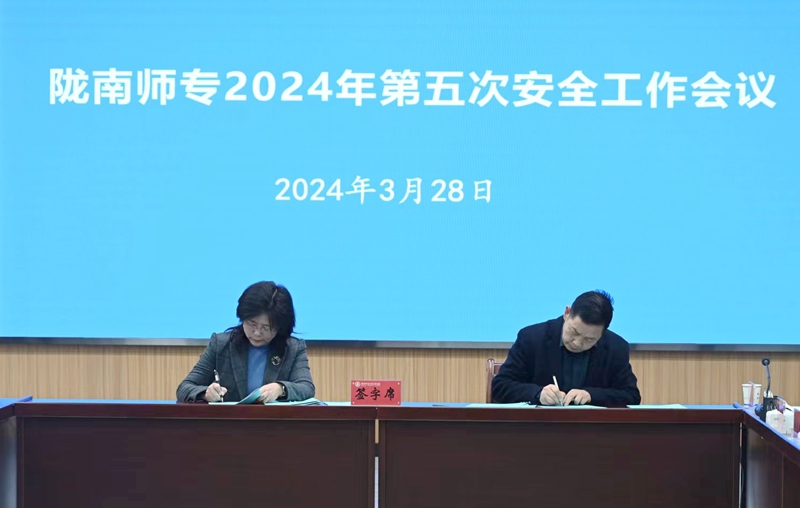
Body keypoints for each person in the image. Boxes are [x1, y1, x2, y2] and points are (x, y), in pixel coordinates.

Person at [492, 290, 641, 407]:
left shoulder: (616, 347)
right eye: (574, 332)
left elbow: (631, 396)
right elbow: (500, 387)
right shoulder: (532, 338)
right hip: (538, 428)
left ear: (603, 332)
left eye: (589, 339)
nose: (577, 343)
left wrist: (591, 395)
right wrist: (538, 393)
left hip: (592, 431)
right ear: (567, 313)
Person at [177, 281, 315, 403]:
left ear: (280, 327)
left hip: (275, 422)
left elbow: (306, 388)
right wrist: (206, 393)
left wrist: (281, 389)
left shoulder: (293, 348)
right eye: (252, 323)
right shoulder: (221, 344)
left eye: (266, 327)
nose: (257, 333)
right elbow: (185, 388)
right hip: (230, 422)